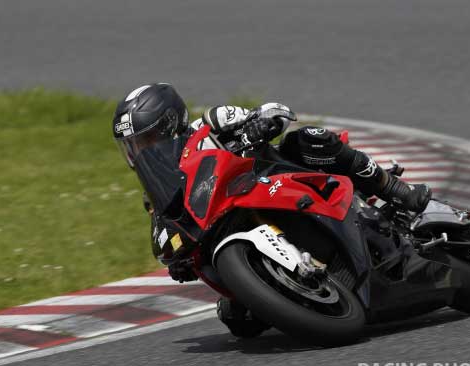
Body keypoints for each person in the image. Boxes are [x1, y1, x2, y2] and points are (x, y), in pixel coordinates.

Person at [112, 83, 432, 336]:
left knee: (310, 139)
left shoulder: (211, 123)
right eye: (133, 145)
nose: (139, 150)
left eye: (146, 139)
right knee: (238, 321)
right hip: (231, 221)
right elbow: (164, 233)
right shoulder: (159, 191)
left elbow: (272, 111)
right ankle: (298, 290)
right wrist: (177, 261)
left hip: (275, 180)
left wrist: (261, 122)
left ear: (170, 124)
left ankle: (395, 189)